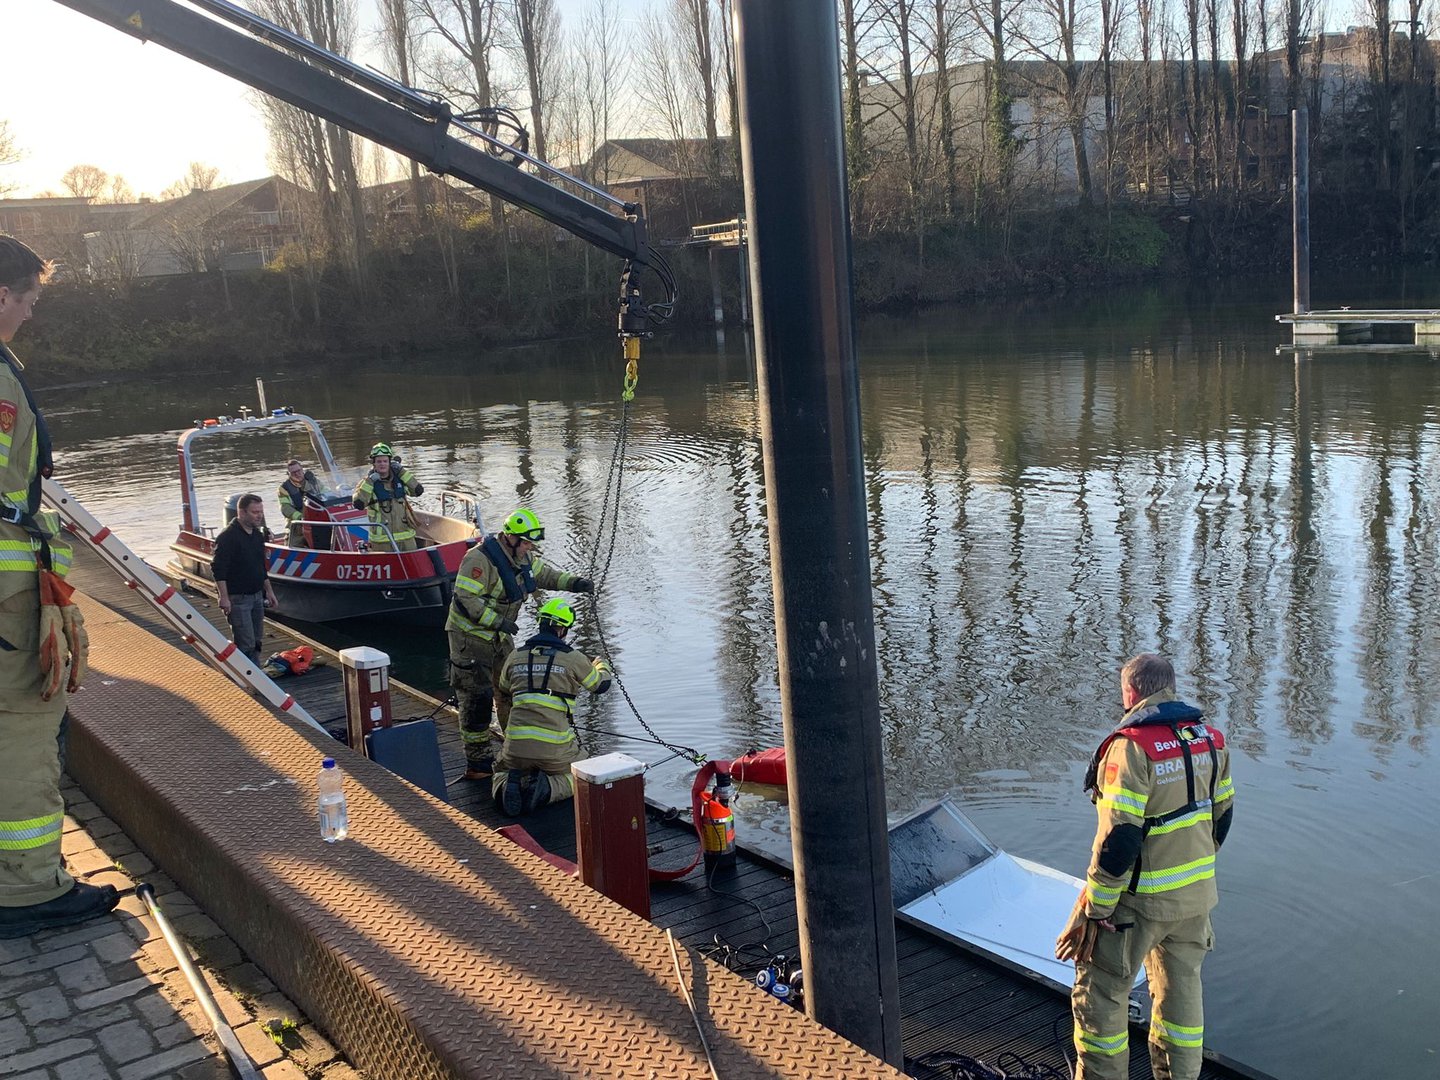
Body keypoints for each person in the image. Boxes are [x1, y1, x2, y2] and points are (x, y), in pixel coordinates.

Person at [0, 234, 119, 938]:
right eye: (27, 300)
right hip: (8, 595)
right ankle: (28, 889)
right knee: (23, 727)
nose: (31, 315)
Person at [1056, 653, 1235, 1080]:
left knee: (1102, 1001)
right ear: (1169, 686)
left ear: (1131, 692)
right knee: (1181, 997)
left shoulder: (1132, 748)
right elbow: (1222, 818)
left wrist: (1096, 909)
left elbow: (1120, 839)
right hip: (1195, 901)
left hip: (1136, 905)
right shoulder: (1211, 741)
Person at [446, 507, 593, 780]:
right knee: (476, 698)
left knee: (512, 691)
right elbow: (466, 598)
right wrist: (497, 621)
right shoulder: (479, 560)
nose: (528, 547)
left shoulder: (522, 558)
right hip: (470, 638)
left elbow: (546, 575)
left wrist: (576, 584)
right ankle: (478, 763)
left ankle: (515, 750)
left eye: (530, 543)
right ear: (509, 538)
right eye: (525, 542)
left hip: (500, 637)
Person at [492, 597, 612, 815]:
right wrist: (601, 665)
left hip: (516, 748)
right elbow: (600, 685)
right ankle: (547, 790)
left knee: (499, 769)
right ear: (561, 629)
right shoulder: (572, 658)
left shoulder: (515, 655)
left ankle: (504, 785)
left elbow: (504, 687)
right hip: (554, 751)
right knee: (584, 774)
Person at [212, 493, 277, 664]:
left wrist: (269, 591)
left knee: (256, 640)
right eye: (255, 512)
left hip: (257, 595)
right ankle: (249, 679)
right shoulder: (227, 537)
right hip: (238, 597)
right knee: (245, 642)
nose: (259, 516)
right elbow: (218, 568)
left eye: (260, 511)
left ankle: (256, 676)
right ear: (241, 512)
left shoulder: (256, 535)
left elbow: (260, 566)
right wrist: (223, 597)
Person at [351, 442, 422, 552]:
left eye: (385, 461)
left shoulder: (400, 480)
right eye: (379, 461)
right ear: (374, 464)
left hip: (406, 539)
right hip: (381, 542)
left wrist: (402, 471)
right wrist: (370, 480)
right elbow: (358, 504)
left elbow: (418, 491)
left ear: (390, 462)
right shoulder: (367, 483)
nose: (382, 464)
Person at [276, 459, 330, 550]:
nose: (297, 474)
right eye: (293, 472)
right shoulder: (283, 489)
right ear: (288, 474)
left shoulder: (314, 482)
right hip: (297, 525)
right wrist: (301, 518)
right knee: (294, 548)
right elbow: (285, 508)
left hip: (317, 519)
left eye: (299, 471)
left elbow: (327, 494)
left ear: (302, 469)